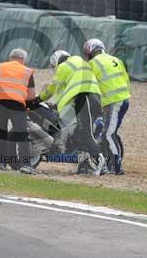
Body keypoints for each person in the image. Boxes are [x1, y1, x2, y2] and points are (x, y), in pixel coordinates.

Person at [36, 50, 105, 174]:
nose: (55, 69)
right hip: (92, 97)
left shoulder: (63, 67)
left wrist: (38, 99)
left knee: (85, 133)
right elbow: (66, 90)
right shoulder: (79, 62)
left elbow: (52, 88)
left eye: (54, 66)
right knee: (78, 133)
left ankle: (100, 160)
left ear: (56, 61)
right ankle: (84, 165)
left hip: (84, 98)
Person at [83, 39, 131, 175]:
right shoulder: (116, 60)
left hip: (112, 102)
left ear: (90, 52)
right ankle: (111, 162)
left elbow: (88, 86)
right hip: (124, 99)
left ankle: (116, 167)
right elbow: (126, 80)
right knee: (111, 132)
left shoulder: (92, 64)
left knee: (108, 134)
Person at [0, 48, 37, 174]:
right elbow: (31, 96)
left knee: (1, 132)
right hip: (17, 105)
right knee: (22, 134)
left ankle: (1, 164)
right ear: (23, 60)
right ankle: (25, 165)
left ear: (10, 57)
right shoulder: (27, 71)